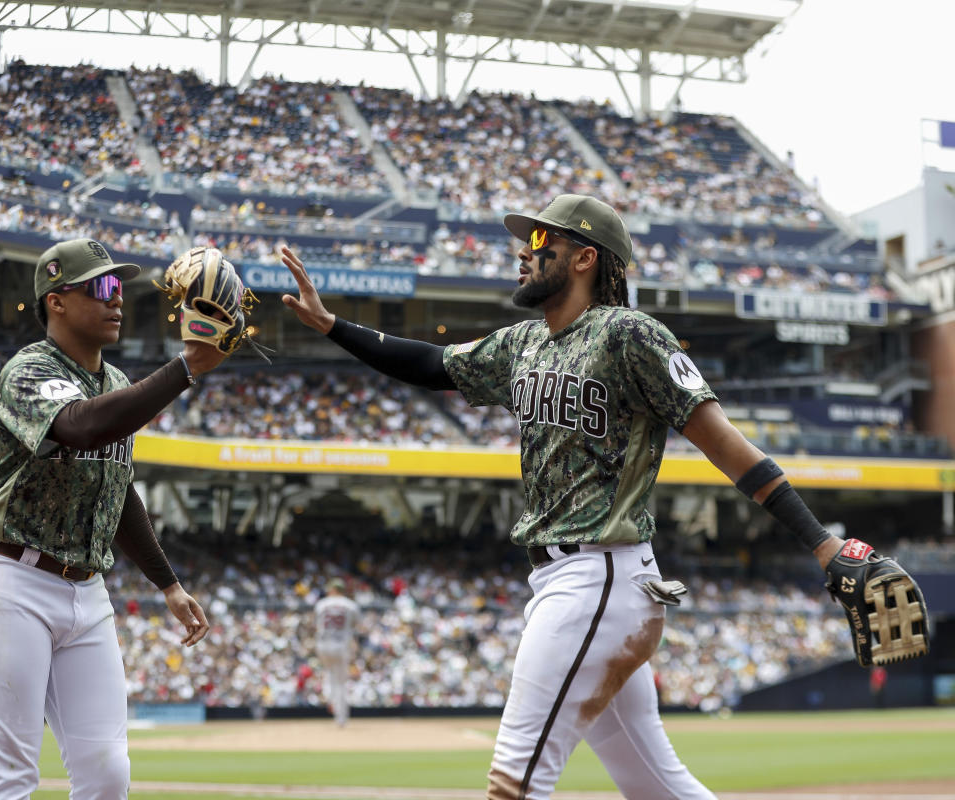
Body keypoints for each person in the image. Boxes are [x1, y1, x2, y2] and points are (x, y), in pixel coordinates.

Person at [279, 195, 848, 800]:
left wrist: (821, 542)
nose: (525, 252)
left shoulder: (629, 334)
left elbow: (725, 443)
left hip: (603, 576)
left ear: (584, 258)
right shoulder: (523, 343)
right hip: (569, 582)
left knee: (514, 783)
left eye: (541, 242)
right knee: (655, 784)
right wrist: (333, 326)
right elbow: (430, 363)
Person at [0, 238, 226, 800]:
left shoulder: (116, 383)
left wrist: (167, 584)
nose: (117, 299)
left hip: (85, 592)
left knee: (107, 774)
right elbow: (80, 427)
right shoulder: (27, 370)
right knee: (10, 778)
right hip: (7, 581)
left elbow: (116, 488)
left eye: (119, 287)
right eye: (102, 287)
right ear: (57, 299)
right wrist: (186, 367)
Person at [314, 577, 360, 727]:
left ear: (332, 590)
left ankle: (330, 699)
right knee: (340, 681)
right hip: (340, 645)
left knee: (330, 675)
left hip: (322, 645)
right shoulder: (351, 605)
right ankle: (341, 717)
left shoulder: (321, 604)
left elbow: (317, 625)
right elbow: (355, 626)